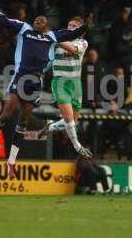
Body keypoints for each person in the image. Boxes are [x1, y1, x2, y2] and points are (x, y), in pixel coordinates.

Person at [0, 0, 87, 179]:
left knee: (23, 122)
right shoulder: (24, 29)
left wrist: (89, 23)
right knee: (6, 115)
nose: (37, 21)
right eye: (36, 20)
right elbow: (4, 19)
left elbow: (78, 32)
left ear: (46, 25)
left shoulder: (52, 36)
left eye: (41, 21)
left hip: (35, 82)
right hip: (21, 78)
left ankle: (11, 162)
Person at [37, 16, 92, 158]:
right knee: (68, 118)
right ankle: (77, 146)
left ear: (81, 30)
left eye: (74, 26)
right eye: (69, 25)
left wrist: (54, 37)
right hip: (60, 81)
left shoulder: (82, 42)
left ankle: (50, 126)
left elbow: (73, 50)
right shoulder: (56, 41)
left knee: (73, 120)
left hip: (75, 83)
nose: (70, 28)